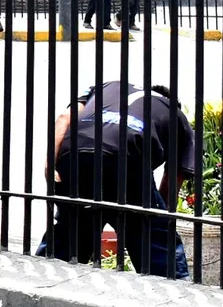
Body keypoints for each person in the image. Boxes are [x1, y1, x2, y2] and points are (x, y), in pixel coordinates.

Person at [40, 82, 196, 276]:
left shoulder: (107, 87)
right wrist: (155, 218)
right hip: (126, 160)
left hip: (76, 155)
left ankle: (44, 276)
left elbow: (64, 118)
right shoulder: (176, 114)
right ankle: (174, 293)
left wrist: (50, 163)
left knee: (71, 232)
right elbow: (173, 179)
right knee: (156, 245)